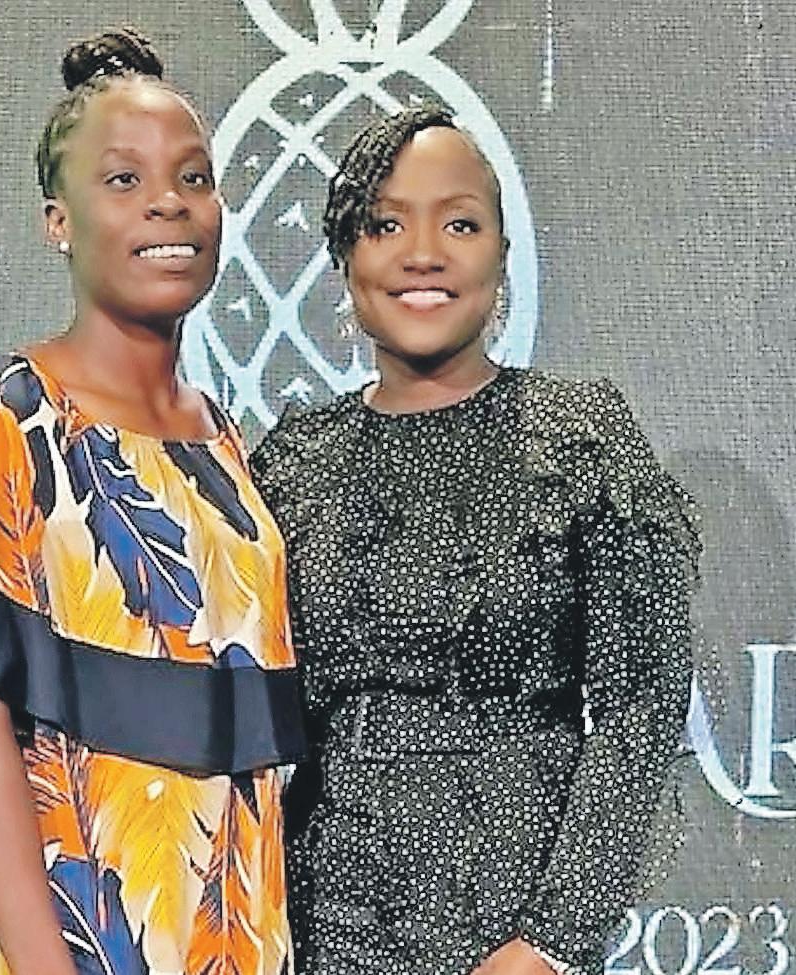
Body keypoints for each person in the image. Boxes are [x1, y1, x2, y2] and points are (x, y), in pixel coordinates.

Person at [0, 27, 304, 975]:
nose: (169, 201)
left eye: (194, 178)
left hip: (218, 932)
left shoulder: (225, 445)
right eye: (123, 179)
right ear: (57, 220)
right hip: (41, 940)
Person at [250, 103, 699, 975]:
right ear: (345, 258)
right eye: (386, 225)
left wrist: (552, 943)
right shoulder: (294, 461)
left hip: (512, 922)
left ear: (502, 253)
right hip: (324, 927)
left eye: (459, 223)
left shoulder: (578, 439)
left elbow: (641, 703)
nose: (423, 253)